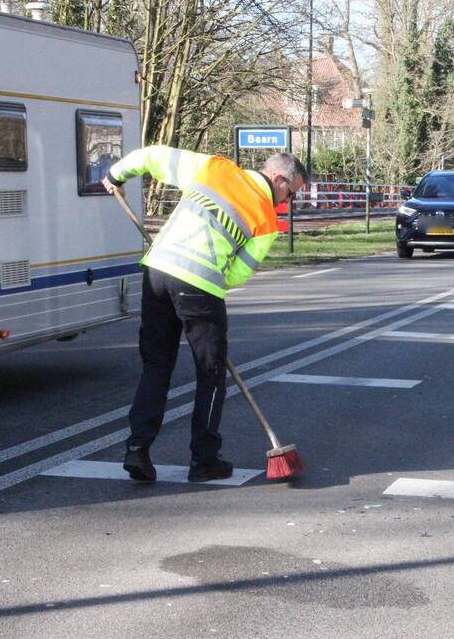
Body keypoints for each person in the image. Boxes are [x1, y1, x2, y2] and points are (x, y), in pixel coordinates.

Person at [102, 146, 306, 482]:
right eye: (290, 193)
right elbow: (238, 274)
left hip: (157, 271)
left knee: (156, 365)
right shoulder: (267, 221)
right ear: (278, 177)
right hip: (201, 285)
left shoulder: (214, 167)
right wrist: (205, 280)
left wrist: (116, 175)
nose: (287, 202)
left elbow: (152, 156)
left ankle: (138, 448)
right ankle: (204, 460)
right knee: (210, 375)